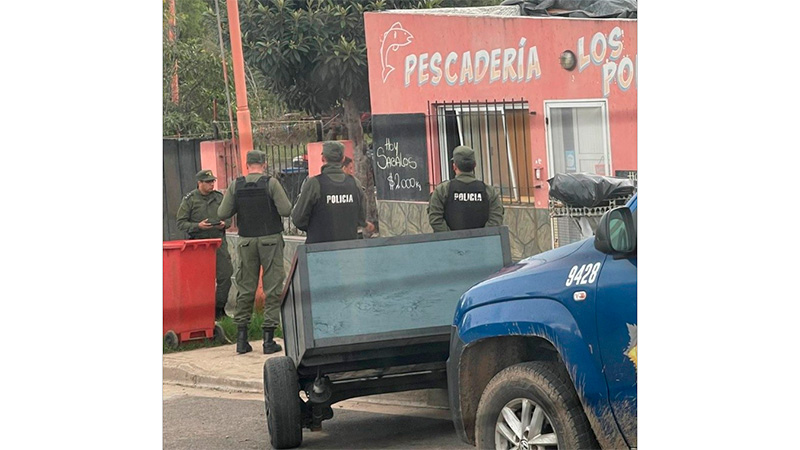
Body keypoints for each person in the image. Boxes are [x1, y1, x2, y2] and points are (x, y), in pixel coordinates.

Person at [217, 150, 292, 355]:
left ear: (247, 164)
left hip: (246, 241)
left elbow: (222, 213)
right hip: (270, 240)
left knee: (245, 288)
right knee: (273, 287)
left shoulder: (236, 185)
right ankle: (268, 339)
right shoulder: (271, 183)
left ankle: (242, 340)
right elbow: (286, 210)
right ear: (264, 164)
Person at [176, 169, 233, 320]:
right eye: (208, 182)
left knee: (225, 275)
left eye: (212, 181)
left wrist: (224, 224)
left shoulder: (219, 197)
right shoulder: (190, 200)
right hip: (199, 245)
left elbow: (228, 216)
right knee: (200, 280)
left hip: (218, 242)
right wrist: (198, 226)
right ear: (199, 183)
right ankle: (201, 311)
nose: (211, 185)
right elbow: (181, 223)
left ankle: (219, 309)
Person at [291, 141, 374, 243]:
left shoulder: (314, 184)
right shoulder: (355, 184)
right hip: (348, 247)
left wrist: (314, 228)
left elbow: (298, 219)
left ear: (323, 158)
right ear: (343, 159)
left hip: (319, 247)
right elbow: (361, 218)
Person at [428, 145, 504, 231]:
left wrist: (452, 237)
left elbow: (435, 220)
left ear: (454, 166)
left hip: (450, 239)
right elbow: (496, 220)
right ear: (474, 165)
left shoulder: (442, 190)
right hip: (482, 239)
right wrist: (481, 237)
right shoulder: (489, 191)